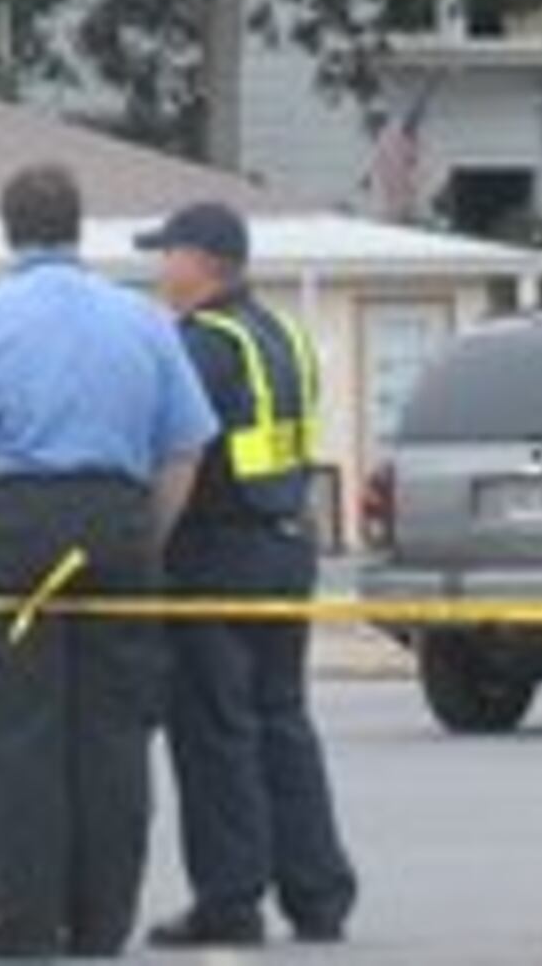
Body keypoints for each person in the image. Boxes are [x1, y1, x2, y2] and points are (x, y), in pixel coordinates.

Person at [0, 162, 212, 962]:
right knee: (113, 739)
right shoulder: (144, 320)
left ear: (9, 230)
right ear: (78, 225)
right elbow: (183, 449)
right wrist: (145, 538)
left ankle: (24, 930)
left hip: (10, 536)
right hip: (115, 527)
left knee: (10, 743)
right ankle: (101, 926)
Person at [135, 201, 358, 950]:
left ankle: (229, 900)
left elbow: (175, 450)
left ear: (203, 261)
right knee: (282, 721)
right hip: (284, 543)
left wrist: (146, 543)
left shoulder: (200, 344)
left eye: (168, 253)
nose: (160, 267)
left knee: (215, 733)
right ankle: (318, 892)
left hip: (214, 551)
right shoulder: (282, 332)